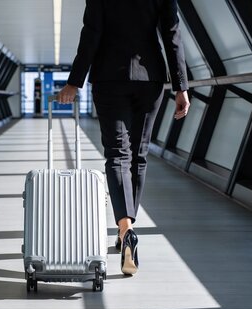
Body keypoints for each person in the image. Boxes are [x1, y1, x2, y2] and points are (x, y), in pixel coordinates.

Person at [57, 0, 190, 275]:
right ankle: (126, 230)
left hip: (109, 78)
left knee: (117, 154)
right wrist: (181, 87)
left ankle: (124, 227)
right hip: (149, 78)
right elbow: (171, 35)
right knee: (138, 157)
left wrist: (74, 81)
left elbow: (91, 33)